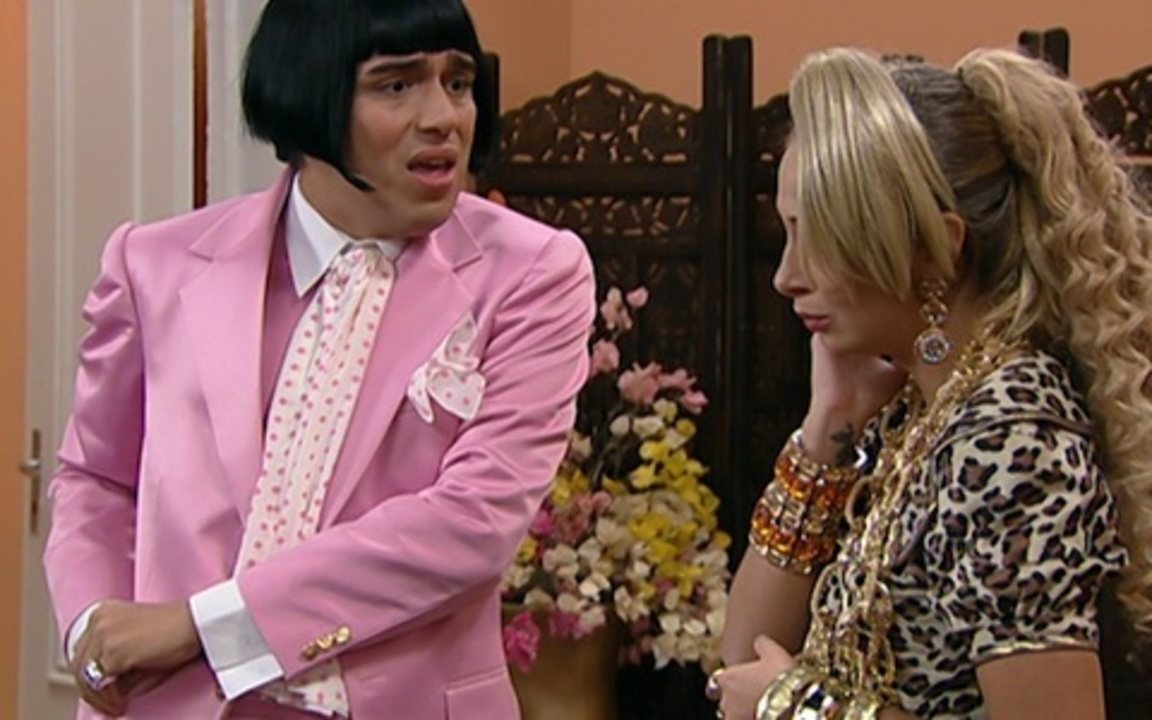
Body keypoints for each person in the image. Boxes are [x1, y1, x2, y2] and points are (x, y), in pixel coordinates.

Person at [42, 1, 595, 718]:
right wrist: (94, 625)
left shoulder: (533, 274)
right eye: (396, 85)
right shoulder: (155, 264)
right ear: (309, 95)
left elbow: (473, 521)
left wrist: (204, 628)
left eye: (457, 83)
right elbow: (96, 477)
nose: (443, 118)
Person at [712, 47, 1152, 719]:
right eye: (787, 234)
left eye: (816, 238)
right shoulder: (918, 407)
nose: (785, 277)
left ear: (937, 248)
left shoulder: (1012, 436)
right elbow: (743, 656)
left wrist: (801, 706)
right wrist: (830, 421)